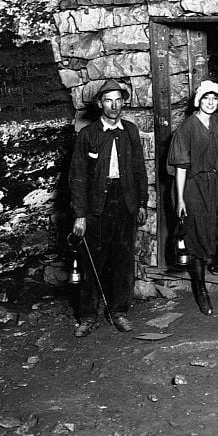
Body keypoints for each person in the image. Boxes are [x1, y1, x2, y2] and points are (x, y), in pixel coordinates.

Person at [69, 79, 149, 337]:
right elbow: (77, 177)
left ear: (123, 102)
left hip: (124, 202)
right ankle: (87, 316)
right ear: (99, 103)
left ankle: (119, 311)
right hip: (96, 206)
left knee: (123, 261)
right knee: (91, 262)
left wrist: (141, 203)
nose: (114, 105)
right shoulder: (87, 135)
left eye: (118, 100)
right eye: (108, 100)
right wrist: (80, 214)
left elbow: (139, 170)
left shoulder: (131, 131)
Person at [167, 80, 218, 315]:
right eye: (205, 98)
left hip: (217, 183)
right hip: (193, 186)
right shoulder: (187, 127)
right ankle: (200, 288)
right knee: (197, 233)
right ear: (198, 101)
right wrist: (180, 199)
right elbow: (180, 166)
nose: (210, 103)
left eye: (214, 99)